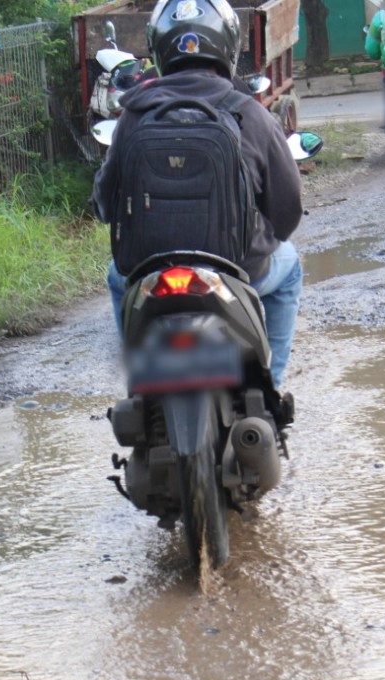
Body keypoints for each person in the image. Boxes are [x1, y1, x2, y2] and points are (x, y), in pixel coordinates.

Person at [91, 0, 304, 389]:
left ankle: (140, 385)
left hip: (148, 273)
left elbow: (105, 204)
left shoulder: (133, 115)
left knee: (115, 275)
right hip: (238, 270)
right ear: (226, 45)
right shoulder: (249, 113)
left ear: (159, 49)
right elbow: (288, 210)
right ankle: (268, 388)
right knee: (288, 267)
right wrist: (264, 236)